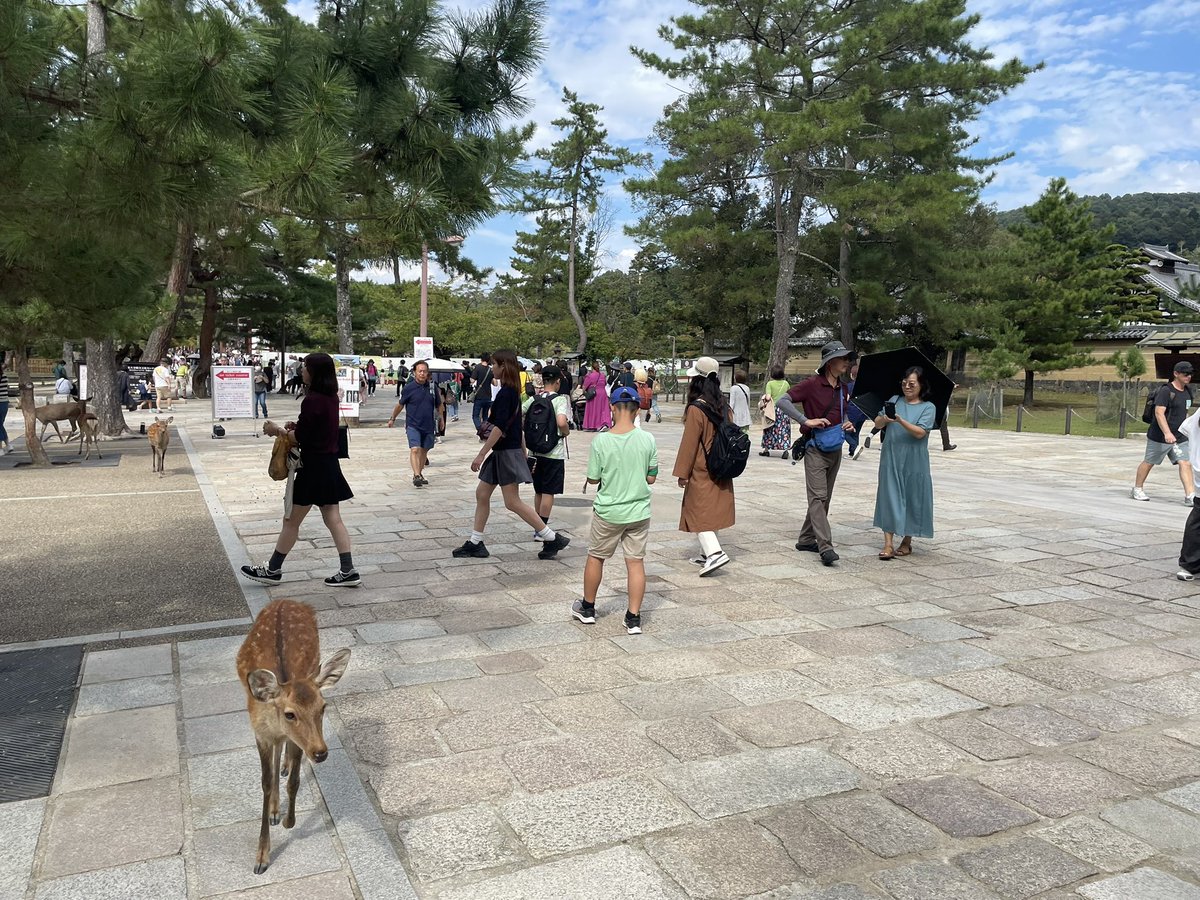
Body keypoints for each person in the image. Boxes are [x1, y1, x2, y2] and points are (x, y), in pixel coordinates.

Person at [240, 352, 360, 588]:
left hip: (312, 467)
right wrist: (297, 426)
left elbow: (301, 437)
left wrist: (277, 430)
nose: (302, 371)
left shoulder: (313, 400)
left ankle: (273, 570)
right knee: (333, 518)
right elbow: (315, 428)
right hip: (329, 464)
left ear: (314, 373)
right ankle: (348, 570)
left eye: (305, 367)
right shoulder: (330, 397)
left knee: (291, 520)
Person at [453, 349, 571, 560]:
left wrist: (481, 454)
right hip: (505, 452)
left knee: (512, 501)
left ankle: (551, 537)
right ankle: (475, 541)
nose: (492, 368)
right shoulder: (511, 392)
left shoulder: (507, 393)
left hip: (505, 452)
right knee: (482, 494)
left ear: (503, 367)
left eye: (494, 365)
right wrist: (523, 450)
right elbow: (517, 425)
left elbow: (499, 427)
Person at [572, 386, 659, 634]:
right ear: (637, 409)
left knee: (596, 556)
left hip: (609, 511)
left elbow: (592, 478)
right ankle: (633, 618)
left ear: (612, 407)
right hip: (638, 512)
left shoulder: (601, 440)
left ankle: (588, 608)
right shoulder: (647, 439)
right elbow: (651, 478)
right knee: (635, 562)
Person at [775, 340, 857, 566]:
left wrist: (848, 423)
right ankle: (825, 546)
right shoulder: (812, 384)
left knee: (824, 498)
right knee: (818, 497)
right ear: (830, 362)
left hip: (835, 447)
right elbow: (782, 401)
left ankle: (805, 539)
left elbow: (842, 415)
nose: (847, 362)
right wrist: (805, 420)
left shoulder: (842, 388)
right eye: (842, 358)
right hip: (815, 449)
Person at [673, 356, 735, 577]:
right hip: (721, 463)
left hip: (701, 466)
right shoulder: (723, 405)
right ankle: (704, 553)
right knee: (711, 509)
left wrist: (682, 472)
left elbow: (689, 444)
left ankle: (714, 553)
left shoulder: (696, 409)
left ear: (696, 381)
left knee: (696, 510)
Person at [873, 366, 936, 559]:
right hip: (891, 456)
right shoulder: (894, 400)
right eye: (904, 383)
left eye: (912, 384)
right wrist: (885, 418)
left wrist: (900, 421)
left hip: (914, 460)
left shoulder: (928, 407)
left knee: (912, 497)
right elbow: (877, 423)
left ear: (921, 385)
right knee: (888, 496)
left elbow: (920, 433)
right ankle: (888, 544)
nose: (907, 387)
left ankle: (907, 541)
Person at [1133, 360, 1195, 504]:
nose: (1188, 377)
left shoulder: (1187, 392)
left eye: (1190, 374)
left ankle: (1190, 495)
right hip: (1159, 436)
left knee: (1185, 463)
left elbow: (1184, 413)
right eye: (1185, 374)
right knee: (1149, 462)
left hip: (1179, 437)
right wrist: (1167, 433)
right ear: (1176, 374)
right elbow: (1159, 413)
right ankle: (1137, 488)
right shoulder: (1166, 391)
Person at [522, 365, 571, 530]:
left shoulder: (534, 399)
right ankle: (542, 527)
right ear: (557, 382)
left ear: (543, 381)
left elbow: (519, 412)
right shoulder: (559, 400)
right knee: (549, 492)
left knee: (539, 491)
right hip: (553, 453)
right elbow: (562, 422)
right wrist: (565, 432)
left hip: (534, 451)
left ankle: (538, 527)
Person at [387, 359, 440, 487]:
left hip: (429, 424)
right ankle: (416, 475)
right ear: (415, 373)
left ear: (428, 373)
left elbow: (439, 405)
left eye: (425, 371)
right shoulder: (408, 388)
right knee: (415, 449)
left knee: (424, 451)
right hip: (413, 424)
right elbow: (400, 405)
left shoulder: (432, 387)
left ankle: (419, 473)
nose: (422, 373)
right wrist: (392, 418)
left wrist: (441, 420)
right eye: (420, 371)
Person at [759, 365, 792, 458]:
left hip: (773, 410)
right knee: (784, 429)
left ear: (772, 374)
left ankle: (766, 449)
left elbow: (768, 397)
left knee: (769, 428)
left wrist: (765, 397)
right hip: (784, 409)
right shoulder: (786, 383)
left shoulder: (770, 384)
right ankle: (785, 449)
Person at [582, 360, 612, 432]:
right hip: (603, 393)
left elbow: (584, 387)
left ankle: (592, 424)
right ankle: (602, 423)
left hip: (594, 393)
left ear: (592, 367)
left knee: (593, 409)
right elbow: (604, 384)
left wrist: (585, 393)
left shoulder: (590, 376)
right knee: (602, 409)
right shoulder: (602, 376)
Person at [471, 352, 493, 432]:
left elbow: (472, 380)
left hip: (479, 396)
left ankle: (481, 430)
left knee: (475, 416)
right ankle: (485, 431)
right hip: (488, 395)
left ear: (481, 359)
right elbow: (495, 383)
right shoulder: (490, 369)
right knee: (485, 416)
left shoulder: (477, 368)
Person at [730, 369, 752, 434]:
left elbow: (732, 403)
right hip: (746, 415)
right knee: (744, 435)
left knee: (736, 435)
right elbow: (748, 403)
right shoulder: (747, 388)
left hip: (736, 416)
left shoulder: (733, 388)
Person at [0, 360, 10, 456]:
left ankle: (1, 449)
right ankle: (8, 445)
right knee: (0, 425)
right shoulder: (4, 376)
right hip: (5, 402)